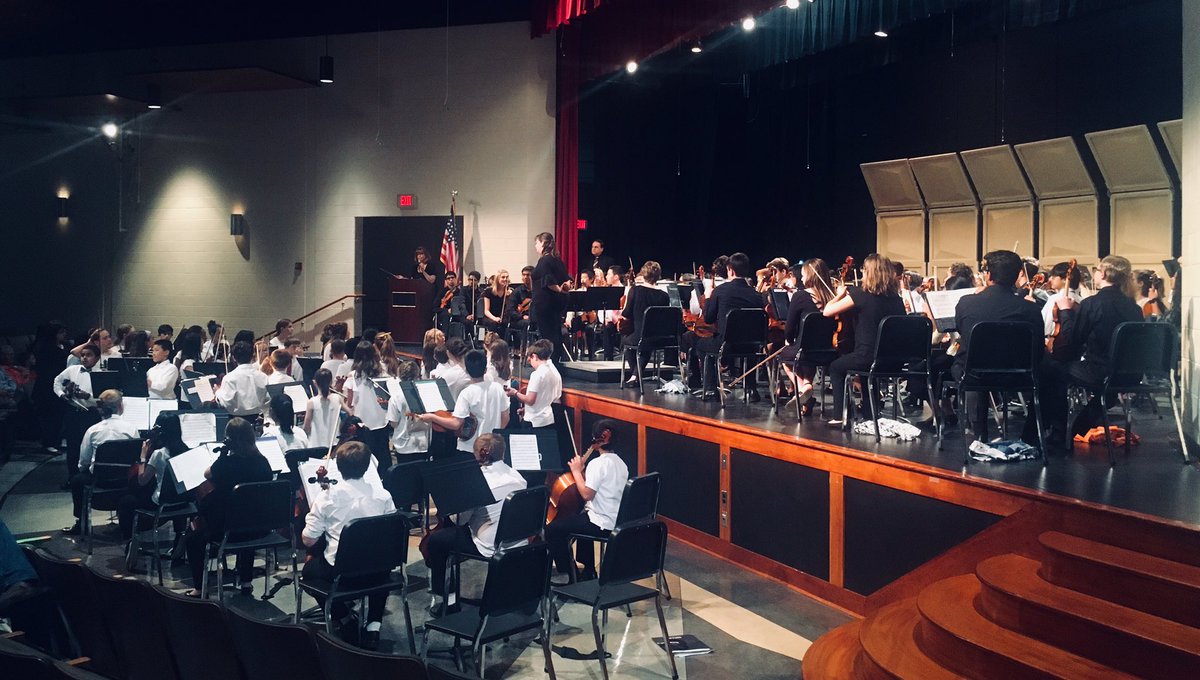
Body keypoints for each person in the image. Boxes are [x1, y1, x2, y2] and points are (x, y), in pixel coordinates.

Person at [300, 440, 396, 649]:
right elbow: (392, 530)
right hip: (379, 571)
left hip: (341, 573)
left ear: (338, 467)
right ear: (367, 466)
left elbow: (308, 539)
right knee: (376, 559)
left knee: (308, 572)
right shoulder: (383, 495)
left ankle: (343, 618)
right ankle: (373, 626)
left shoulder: (327, 498)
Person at [421, 433, 526, 608]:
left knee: (436, 541)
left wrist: (450, 505)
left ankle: (449, 600)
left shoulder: (479, 481)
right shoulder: (517, 476)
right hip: (515, 538)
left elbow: (459, 521)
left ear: (483, 453)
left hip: (489, 544)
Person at [1044, 255, 1144, 437]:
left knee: (1053, 369)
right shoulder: (1134, 307)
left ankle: (1058, 432)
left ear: (1103, 274)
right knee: (1106, 389)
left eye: (1097, 270)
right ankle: (1078, 429)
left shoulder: (1092, 303)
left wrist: (1066, 312)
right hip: (1131, 374)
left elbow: (1071, 342)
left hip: (1100, 373)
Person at [950, 250, 1045, 440]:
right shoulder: (1031, 308)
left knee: (970, 362)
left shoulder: (966, 303)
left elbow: (962, 331)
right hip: (1020, 378)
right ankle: (1032, 436)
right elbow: (1038, 348)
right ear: (1018, 275)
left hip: (975, 376)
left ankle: (979, 433)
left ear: (989, 275)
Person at [184, 418, 274, 596]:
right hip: (259, 529)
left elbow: (206, 473)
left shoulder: (225, 465)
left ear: (229, 440)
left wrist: (222, 454)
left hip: (227, 531)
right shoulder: (263, 463)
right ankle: (246, 582)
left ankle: (198, 588)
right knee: (246, 517)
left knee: (192, 537)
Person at [822, 253, 907, 427]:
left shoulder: (861, 295)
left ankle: (839, 417)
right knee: (869, 372)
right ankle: (870, 412)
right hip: (894, 361)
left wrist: (838, 295)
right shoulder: (897, 300)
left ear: (869, 273)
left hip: (868, 357)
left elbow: (827, 312)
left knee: (836, 367)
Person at [545, 419, 628, 581]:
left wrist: (576, 471)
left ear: (599, 439)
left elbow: (586, 494)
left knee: (552, 529)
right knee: (582, 515)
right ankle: (589, 569)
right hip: (616, 519)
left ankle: (569, 573)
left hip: (602, 523)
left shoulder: (597, 464)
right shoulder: (621, 463)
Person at [682, 252, 764, 401]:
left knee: (701, 345)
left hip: (726, 345)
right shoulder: (757, 295)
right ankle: (751, 390)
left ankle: (711, 388)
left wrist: (707, 297)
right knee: (748, 344)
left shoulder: (721, 291)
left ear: (731, 270)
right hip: (753, 346)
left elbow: (708, 318)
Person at [65, 389, 140, 536]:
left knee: (76, 479)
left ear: (100, 409)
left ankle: (81, 522)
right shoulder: (131, 429)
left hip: (100, 481)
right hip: (125, 479)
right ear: (121, 407)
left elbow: (83, 463)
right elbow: (136, 457)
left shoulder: (92, 431)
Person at [417, 350, 510, 457]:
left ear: (466, 370)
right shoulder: (497, 388)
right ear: (485, 369)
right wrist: (494, 435)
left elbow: (456, 424)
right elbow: (505, 417)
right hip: (493, 447)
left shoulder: (467, 393)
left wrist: (432, 417)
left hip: (470, 448)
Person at [118, 413, 189, 546]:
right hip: (183, 501)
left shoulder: (159, 454)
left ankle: (129, 541)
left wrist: (143, 457)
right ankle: (179, 538)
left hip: (161, 503)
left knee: (126, 501)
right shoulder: (186, 450)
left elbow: (142, 481)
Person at [779, 260, 834, 411]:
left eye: (803, 275)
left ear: (810, 276)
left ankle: (803, 388)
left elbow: (789, 329)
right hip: (829, 352)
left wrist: (789, 341)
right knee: (806, 357)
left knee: (785, 357)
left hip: (805, 351)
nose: (801, 279)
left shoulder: (800, 296)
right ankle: (807, 392)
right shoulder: (833, 298)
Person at [616, 261, 670, 386]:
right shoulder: (664, 296)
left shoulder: (635, 290)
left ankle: (635, 375)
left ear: (644, 274)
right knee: (646, 341)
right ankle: (636, 375)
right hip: (659, 337)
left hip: (640, 337)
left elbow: (627, 313)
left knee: (626, 340)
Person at [53, 343, 101, 483]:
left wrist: (88, 397)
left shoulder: (101, 374)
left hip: (90, 414)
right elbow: (57, 381)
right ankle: (72, 478)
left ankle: (89, 476)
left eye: (89, 355)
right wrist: (62, 394)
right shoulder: (73, 369)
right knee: (73, 446)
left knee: (89, 446)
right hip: (72, 413)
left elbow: (103, 399)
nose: (84, 358)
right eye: (83, 355)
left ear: (97, 358)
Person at [344, 344, 392, 470]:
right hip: (381, 419)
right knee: (383, 454)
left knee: (364, 456)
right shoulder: (382, 372)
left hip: (362, 422)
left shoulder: (353, 375)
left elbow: (349, 403)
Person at [531, 232, 571, 363]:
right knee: (555, 332)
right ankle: (556, 359)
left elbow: (549, 281)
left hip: (545, 303)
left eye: (537, 243)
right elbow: (567, 281)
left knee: (548, 334)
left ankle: (550, 361)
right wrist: (563, 290)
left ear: (543, 243)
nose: (535, 246)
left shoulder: (544, 260)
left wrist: (558, 289)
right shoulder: (557, 260)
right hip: (556, 303)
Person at [506, 339, 562, 429]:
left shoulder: (537, 374)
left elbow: (530, 400)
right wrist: (526, 409)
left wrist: (515, 393)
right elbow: (555, 397)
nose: (530, 361)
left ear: (535, 357)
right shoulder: (555, 372)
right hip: (548, 420)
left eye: (530, 358)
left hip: (533, 422)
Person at [386, 360, 431, 457]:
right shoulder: (425, 393)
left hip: (403, 444)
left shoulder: (395, 397)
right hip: (422, 442)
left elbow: (394, 423)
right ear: (417, 375)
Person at [214, 341, 269, 417]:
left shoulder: (229, 378)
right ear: (252, 355)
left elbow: (227, 403)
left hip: (236, 420)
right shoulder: (263, 376)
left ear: (234, 358)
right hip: (259, 419)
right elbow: (267, 399)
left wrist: (218, 392)